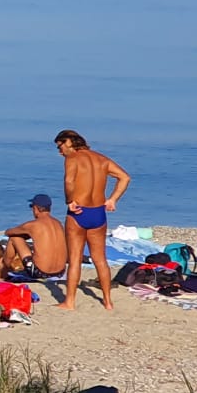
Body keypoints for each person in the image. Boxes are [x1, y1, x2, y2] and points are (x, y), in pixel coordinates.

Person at [55, 130, 132, 312]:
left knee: (74, 260)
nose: (60, 152)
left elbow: (69, 182)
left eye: (60, 146)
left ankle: (70, 302)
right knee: (100, 259)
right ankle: (107, 301)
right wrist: (112, 199)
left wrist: (69, 201)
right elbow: (125, 177)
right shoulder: (101, 159)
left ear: (68, 142)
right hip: (98, 212)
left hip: (79, 212)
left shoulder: (72, 158)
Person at [4, 195, 68, 278]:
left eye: (32, 207)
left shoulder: (33, 225)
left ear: (36, 208)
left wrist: (24, 234)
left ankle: (4, 270)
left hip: (40, 272)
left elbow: (9, 232)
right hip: (60, 272)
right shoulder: (58, 224)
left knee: (14, 238)